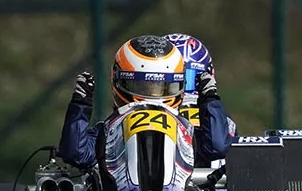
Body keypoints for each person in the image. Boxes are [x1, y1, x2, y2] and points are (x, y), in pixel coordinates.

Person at [58, 34, 231, 177]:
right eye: (143, 87)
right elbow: (75, 153)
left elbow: (216, 147)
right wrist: (80, 105)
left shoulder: (185, 131)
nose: (152, 97)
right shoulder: (109, 131)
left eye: (161, 87)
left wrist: (210, 100)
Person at [162, 32, 238, 160]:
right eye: (174, 81)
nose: (182, 89)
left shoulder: (223, 121)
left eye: (189, 78)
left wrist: (209, 98)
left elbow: (219, 147)